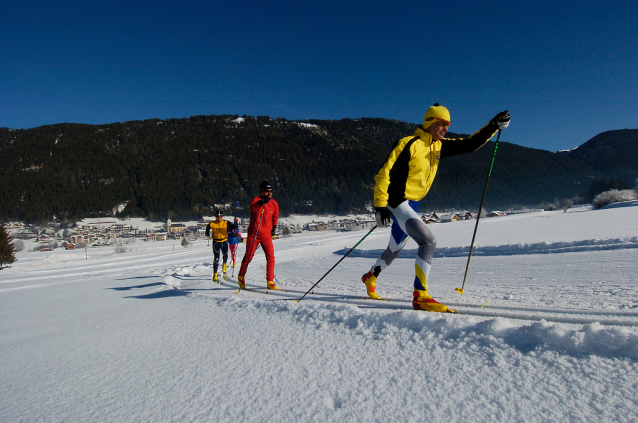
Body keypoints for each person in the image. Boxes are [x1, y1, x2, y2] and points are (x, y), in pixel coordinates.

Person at [362, 104, 510, 313]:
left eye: (448, 124)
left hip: (412, 204)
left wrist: (494, 125)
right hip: (396, 201)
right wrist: (380, 206)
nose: (445, 128)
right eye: (442, 123)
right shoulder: (409, 144)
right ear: (430, 122)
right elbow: (383, 175)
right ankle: (420, 295)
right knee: (428, 241)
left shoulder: (438, 146)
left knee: (394, 250)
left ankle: (370, 276)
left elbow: (470, 144)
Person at [237, 181, 279, 290]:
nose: (269, 193)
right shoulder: (256, 200)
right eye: (267, 191)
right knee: (249, 257)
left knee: (271, 257)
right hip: (254, 234)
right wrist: (262, 203)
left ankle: (270, 280)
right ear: (262, 192)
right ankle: (241, 276)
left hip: (266, 235)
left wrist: (274, 227)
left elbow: (275, 216)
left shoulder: (274, 204)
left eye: (271, 191)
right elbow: (253, 208)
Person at [205, 209, 236, 282]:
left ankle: (224, 269)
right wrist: (207, 233)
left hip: (224, 241)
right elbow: (208, 228)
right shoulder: (212, 224)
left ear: (222, 217)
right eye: (217, 217)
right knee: (216, 258)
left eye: (220, 217)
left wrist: (235, 224)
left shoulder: (226, 222)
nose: (219, 218)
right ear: (216, 217)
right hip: (216, 242)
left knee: (225, 255)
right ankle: (215, 274)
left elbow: (233, 227)